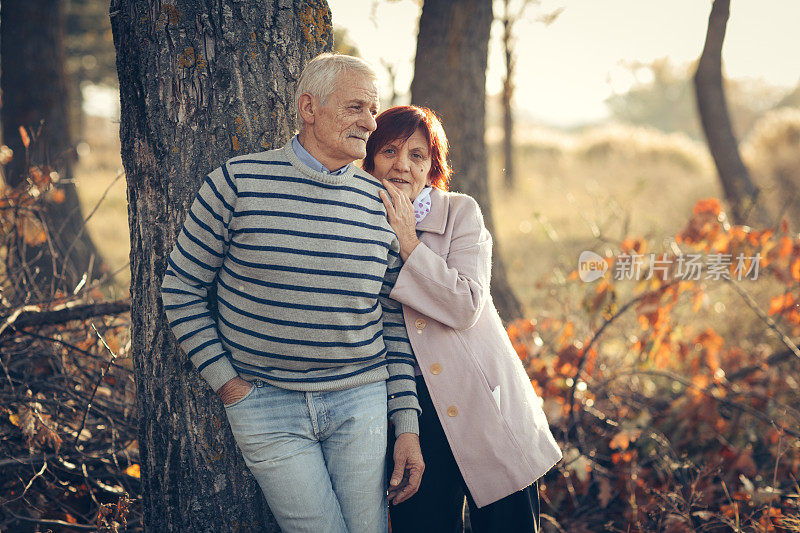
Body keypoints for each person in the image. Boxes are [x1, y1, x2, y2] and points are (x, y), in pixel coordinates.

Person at [160, 54, 424, 533]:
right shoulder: (236, 182)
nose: (370, 122)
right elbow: (181, 287)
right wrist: (229, 384)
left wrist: (406, 424)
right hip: (265, 403)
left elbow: (392, 322)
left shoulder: (383, 204)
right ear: (309, 107)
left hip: (359, 403)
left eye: (373, 108)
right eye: (356, 108)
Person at [363, 106, 563, 532]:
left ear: (432, 167)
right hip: (410, 413)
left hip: (483, 401)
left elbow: (466, 304)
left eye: (417, 155)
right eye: (390, 151)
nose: (402, 165)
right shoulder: (354, 222)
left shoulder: (460, 213)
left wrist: (408, 244)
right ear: (369, 157)